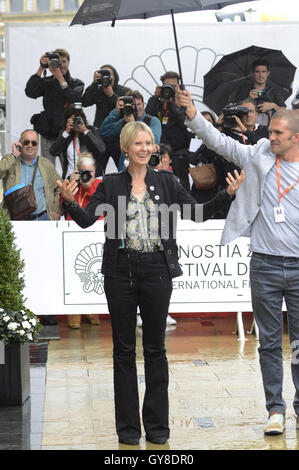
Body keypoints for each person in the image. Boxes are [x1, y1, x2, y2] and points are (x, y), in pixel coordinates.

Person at [57, 120, 244, 446]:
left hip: (157, 271)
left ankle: (158, 430)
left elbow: (197, 214)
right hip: (119, 273)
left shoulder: (169, 182)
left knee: (156, 350)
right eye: (139, 144)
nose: (145, 149)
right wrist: (70, 201)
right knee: (123, 352)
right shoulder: (111, 183)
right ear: (127, 148)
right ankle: (128, 433)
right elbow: (88, 221)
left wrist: (226, 194)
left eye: (149, 143)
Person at [176, 88, 299, 436]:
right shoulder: (260, 154)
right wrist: (192, 115)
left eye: (277, 133)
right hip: (265, 264)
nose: (269, 136)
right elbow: (220, 143)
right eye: (269, 131)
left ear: (295, 137)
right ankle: (275, 410)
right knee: (270, 342)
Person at [0, 129, 63, 326]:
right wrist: (12, 155)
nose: (29, 145)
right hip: (16, 222)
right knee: (18, 266)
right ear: (19, 143)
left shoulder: (46, 165)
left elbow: (58, 187)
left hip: (41, 221)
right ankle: (19, 309)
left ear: (38, 146)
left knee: (45, 266)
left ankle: (47, 311)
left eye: (33, 143)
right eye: (25, 142)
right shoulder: (11, 163)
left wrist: (57, 210)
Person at [60, 153, 102, 329]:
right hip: (73, 235)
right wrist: (72, 183)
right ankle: (74, 316)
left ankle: (93, 312)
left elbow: (97, 202)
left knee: (93, 275)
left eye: (90, 172)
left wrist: (89, 184)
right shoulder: (71, 186)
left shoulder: (100, 185)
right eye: (83, 172)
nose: (87, 175)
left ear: (95, 172)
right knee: (73, 275)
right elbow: (61, 205)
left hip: (96, 235)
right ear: (77, 172)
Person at [25, 49, 84, 165]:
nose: (61, 65)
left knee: (69, 171)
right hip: (48, 132)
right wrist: (41, 67)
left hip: (67, 132)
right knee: (47, 171)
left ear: (68, 62)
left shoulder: (76, 83)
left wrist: (60, 78)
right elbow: (30, 92)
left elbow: (75, 99)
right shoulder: (47, 81)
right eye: (57, 62)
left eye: (64, 61)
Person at [145, 71, 193, 191]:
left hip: (179, 152)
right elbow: (147, 119)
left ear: (179, 86)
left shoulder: (185, 101)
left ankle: (184, 210)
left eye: (174, 86)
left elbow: (184, 123)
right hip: (160, 152)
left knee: (182, 188)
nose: (170, 89)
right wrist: (155, 97)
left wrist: (172, 102)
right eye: (167, 86)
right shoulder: (157, 101)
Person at [82, 65, 131, 172]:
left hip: (119, 138)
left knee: (123, 170)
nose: (106, 77)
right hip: (100, 137)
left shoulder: (124, 91)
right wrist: (94, 84)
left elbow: (127, 110)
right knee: (96, 171)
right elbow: (84, 102)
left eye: (109, 74)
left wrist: (111, 94)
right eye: (103, 75)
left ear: (115, 76)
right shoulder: (97, 90)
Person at [100, 90, 161, 170]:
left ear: (143, 104)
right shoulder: (125, 122)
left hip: (145, 170)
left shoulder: (153, 121)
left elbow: (153, 141)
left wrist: (133, 124)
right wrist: (116, 112)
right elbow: (104, 131)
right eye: (134, 105)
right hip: (125, 171)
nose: (137, 108)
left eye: (139, 104)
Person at [49, 104, 106, 179]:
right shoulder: (66, 134)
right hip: (71, 179)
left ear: (83, 119)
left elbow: (101, 149)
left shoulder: (92, 131)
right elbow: (53, 151)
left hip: (91, 179)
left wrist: (85, 131)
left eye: (78, 119)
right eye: (73, 120)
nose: (76, 122)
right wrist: (66, 132)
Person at [228, 59, 286, 126]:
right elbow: (234, 109)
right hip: (245, 128)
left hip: (267, 130)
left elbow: (284, 113)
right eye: (257, 72)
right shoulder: (243, 89)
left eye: (263, 72)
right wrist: (249, 99)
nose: (260, 75)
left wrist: (273, 105)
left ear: (268, 73)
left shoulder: (274, 91)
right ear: (253, 73)